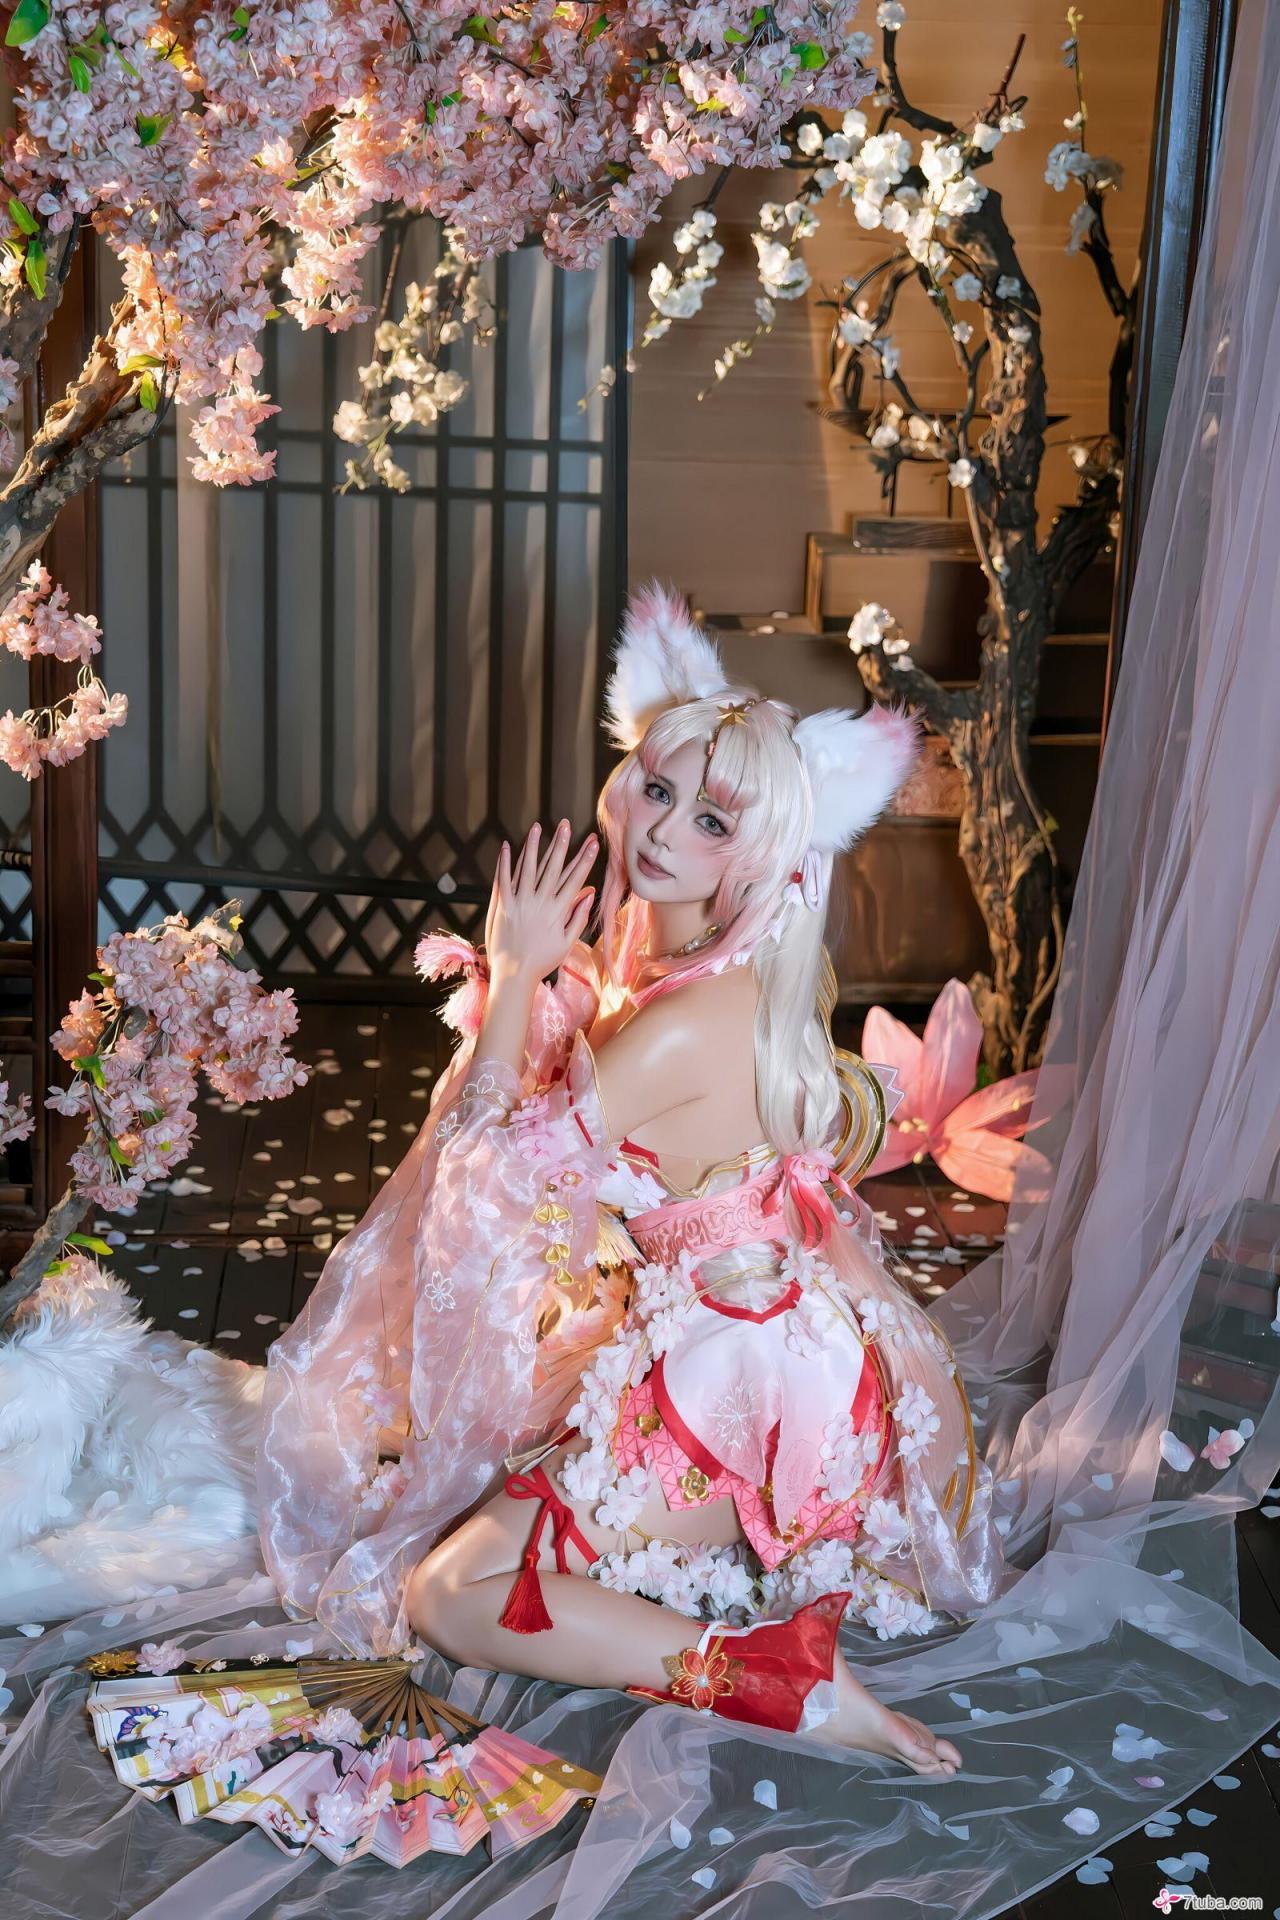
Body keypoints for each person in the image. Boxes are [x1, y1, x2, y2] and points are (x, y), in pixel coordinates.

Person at [255, 584, 1005, 1780]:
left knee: (449, 1594)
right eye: (655, 790)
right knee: (449, 1521)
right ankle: (739, 1619)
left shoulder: (682, 1019)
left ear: (760, 852)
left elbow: (483, 1176)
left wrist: (513, 978)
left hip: (742, 1378)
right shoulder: (695, 967)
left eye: (710, 820)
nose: (659, 833)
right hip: (729, 1330)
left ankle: (777, 1676)